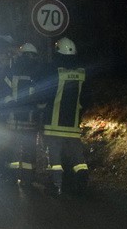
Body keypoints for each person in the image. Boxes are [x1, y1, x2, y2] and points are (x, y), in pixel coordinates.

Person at [37, 36, 89, 195]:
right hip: (72, 125)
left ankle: (55, 186)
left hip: (53, 125)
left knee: (54, 159)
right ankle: (81, 182)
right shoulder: (81, 73)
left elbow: (45, 95)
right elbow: (86, 98)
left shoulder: (55, 72)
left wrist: (40, 108)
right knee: (77, 158)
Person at [1, 42, 43, 185]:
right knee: (29, 151)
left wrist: (10, 106)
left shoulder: (12, 70)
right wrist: (39, 111)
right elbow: (41, 96)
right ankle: (28, 179)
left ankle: (11, 177)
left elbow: (4, 93)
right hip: (31, 119)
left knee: (12, 148)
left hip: (13, 118)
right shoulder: (38, 72)